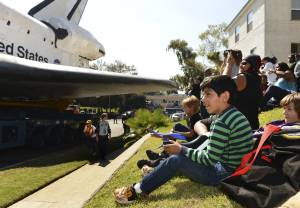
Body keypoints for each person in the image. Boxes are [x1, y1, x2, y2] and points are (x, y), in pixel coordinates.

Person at [114, 75, 254, 204]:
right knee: (186, 154)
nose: (203, 99)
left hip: (224, 174)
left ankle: (135, 192)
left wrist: (181, 149)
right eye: (203, 95)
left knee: (177, 159)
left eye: (208, 94)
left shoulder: (223, 121)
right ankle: (156, 172)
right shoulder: (231, 114)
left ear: (225, 96)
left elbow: (209, 159)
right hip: (232, 167)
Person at [224, 54, 263, 130]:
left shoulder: (243, 77)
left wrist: (229, 64)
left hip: (239, 125)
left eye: (244, 63)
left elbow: (223, 82)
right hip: (252, 124)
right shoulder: (258, 78)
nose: (241, 65)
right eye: (241, 63)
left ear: (253, 65)